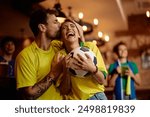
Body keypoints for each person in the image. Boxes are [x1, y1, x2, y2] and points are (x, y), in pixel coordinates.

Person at [15, 9, 84, 100]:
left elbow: (79, 47)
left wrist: (79, 34)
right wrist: (54, 73)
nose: (60, 25)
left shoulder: (58, 46)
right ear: (42, 27)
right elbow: (29, 95)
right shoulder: (25, 56)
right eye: (55, 22)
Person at [53, 19, 108, 100]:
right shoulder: (60, 56)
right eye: (64, 28)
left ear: (79, 34)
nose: (69, 28)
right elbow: (64, 91)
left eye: (72, 26)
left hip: (96, 97)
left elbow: (103, 81)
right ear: (61, 38)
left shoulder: (91, 47)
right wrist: (66, 70)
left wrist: (92, 68)